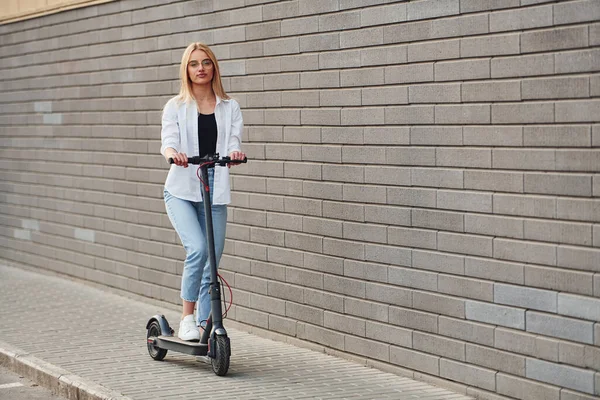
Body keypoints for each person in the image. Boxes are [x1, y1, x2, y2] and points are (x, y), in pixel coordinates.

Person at [160, 42, 245, 341]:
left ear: (214, 68)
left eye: (206, 63)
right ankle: (187, 317)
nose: (201, 69)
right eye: (194, 64)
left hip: (215, 191)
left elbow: (233, 140)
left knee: (213, 259)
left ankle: (208, 325)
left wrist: (234, 154)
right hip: (181, 190)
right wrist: (174, 153)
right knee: (197, 249)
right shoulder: (176, 106)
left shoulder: (229, 106)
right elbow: (168, 141)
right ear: (186, 69)